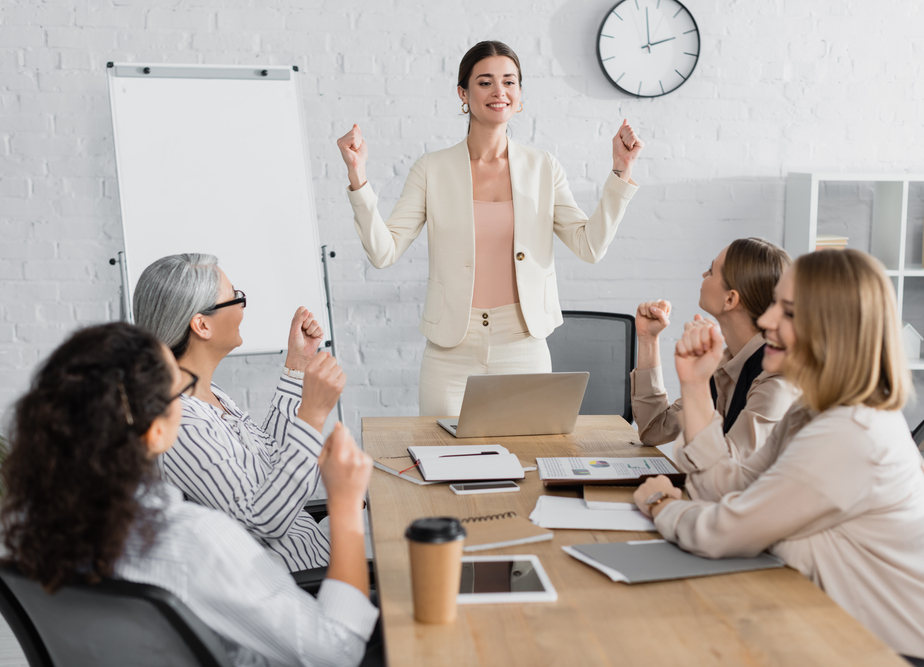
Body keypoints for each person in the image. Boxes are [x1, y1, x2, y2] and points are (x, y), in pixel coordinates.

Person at [633, 249, 924, 667]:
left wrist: (660, 505)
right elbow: (725, 487)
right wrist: (695, 384)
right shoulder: (812, 413)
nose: (767, 321)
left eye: (788, 312)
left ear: (835, 332)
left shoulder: (852, 433)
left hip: (898, 656)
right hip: (834, 633)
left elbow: (723, 530)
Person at [0, 322, 377, 667]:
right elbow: (339, 652)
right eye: (180, 388)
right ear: (156, 433)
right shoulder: (197, 540)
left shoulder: (27, 534)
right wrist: (344, 506)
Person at [336, 40, 644, 416]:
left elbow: (590, 246)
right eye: (485, 82)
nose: (499, 91)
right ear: (463, 94)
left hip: (522, 346)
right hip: (450, 352)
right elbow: (384, 252)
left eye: (509, 82)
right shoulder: (432, 168)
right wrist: (358, 177)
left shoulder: (543, 167)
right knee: (445, 462)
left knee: (527, 464)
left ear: (519, 95)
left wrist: (620, 172)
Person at [133, 253, 346, 572]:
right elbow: (263, 520)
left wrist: (296, 366)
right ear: (201, 325)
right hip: (296, 590)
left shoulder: (207, 394)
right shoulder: (181, 424)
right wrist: (312, 417)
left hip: (316, 566)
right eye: (235, 298)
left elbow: (269, 463)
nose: (242, 306)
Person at [631, 238, 798, 465]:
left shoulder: (776, 381)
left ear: (730, 299)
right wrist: (648, 339)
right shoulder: (726, 364)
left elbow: (726, 476)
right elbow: (654, 429)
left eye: (710, 271)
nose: (703, 275)